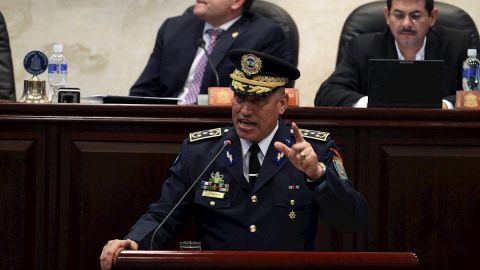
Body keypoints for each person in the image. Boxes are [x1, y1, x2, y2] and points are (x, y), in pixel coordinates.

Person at [100, 49, 368, 270]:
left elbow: (353, 221)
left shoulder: (313, 150)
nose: (245, 110)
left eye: (258, 99)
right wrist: (133, 241)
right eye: (239, 96)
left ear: (282, 103)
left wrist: (318, 176)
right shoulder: (202, 150)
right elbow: (164, 214)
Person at [314, 0, 475, 109]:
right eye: (398, 15)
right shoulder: (362, 48)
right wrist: (374, 103)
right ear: (386, 15)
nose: (406, 23)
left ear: (432, 17)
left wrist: (446, 104)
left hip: (440, 138)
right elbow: (327, 94)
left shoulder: (458, 45)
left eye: (415, 16)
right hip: (378, 138)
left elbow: (476, 93)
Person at [129, 0, 293, 104]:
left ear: (236, 2)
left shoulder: (264, 34)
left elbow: (259, 99)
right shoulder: (174, 28)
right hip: (164, 123)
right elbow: (142, 91)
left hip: (218, 128)